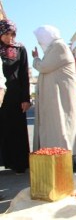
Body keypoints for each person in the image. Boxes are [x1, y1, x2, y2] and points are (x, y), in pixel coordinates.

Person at [32, 25, 76, 168]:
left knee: (61, 128)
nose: (40, 43)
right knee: (56, 128)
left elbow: (44, 66)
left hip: (61, 100)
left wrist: (35, 59)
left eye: (41, 40)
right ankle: (54, 159)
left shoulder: (59, 46)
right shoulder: (54, 48)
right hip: (56, 98)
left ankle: (64, 162)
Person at [0, 19, 30, 174]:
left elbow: (24, 74)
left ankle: (19, 163)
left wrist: (26, 98)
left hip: (14, 94)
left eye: (12, 34)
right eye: (6, 33)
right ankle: (5, 160)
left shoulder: (19, 48)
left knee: (15, 129)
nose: (9, 37)